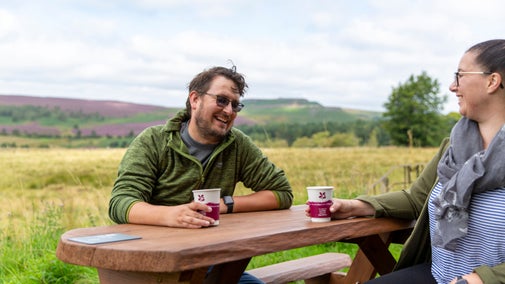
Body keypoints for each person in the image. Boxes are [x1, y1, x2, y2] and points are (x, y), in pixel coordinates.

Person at [309, 39, 505, 284]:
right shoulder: (453, 147)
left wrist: (482, 279)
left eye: (460, 75)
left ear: (492, 81)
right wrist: (356, 206)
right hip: (438, 275)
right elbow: (417, 199)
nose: (452, 86)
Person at [109, 65, 293, 284]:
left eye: (235, 105)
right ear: (195, 100)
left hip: (210, 264)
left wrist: (226, 204)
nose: (229, 111)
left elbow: (281, 193)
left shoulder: (238, 144)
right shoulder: (153, 141)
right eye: (222, 100)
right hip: (153, 267)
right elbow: (120, 203)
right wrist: (171, 215)